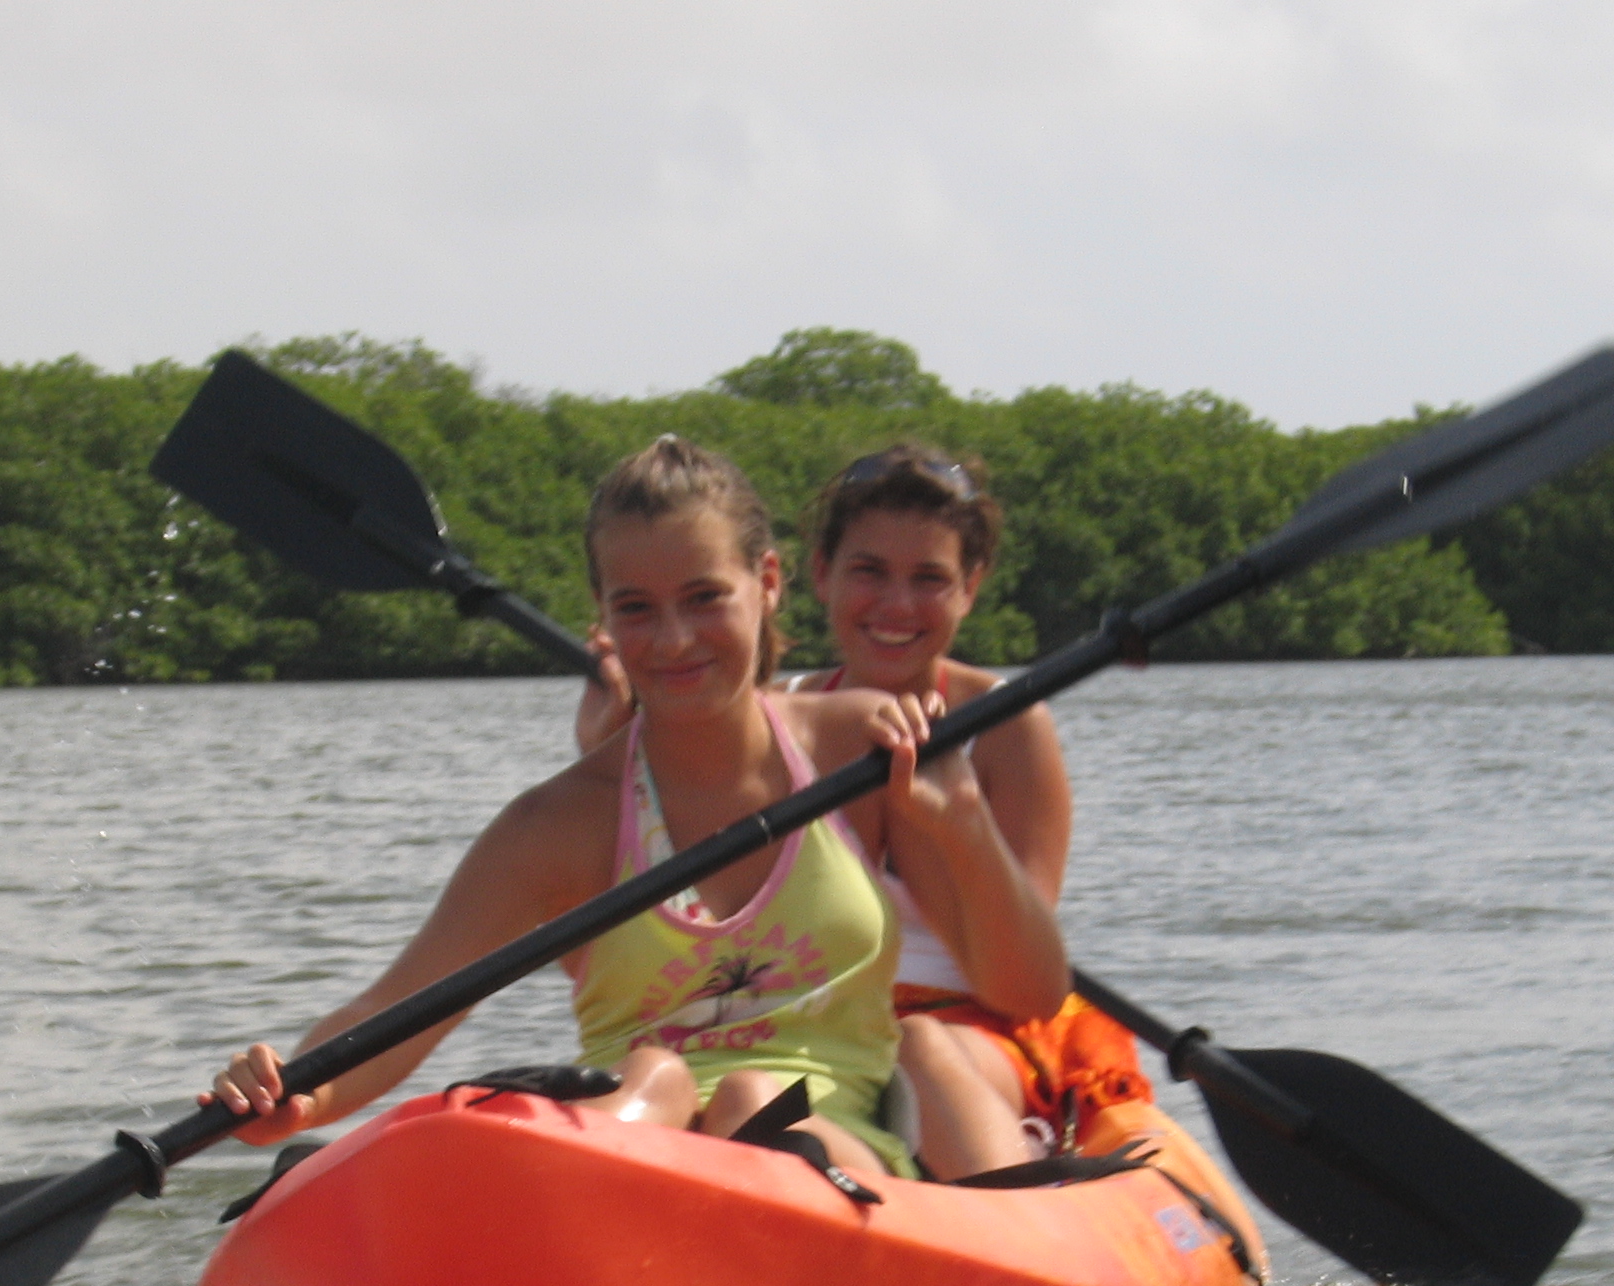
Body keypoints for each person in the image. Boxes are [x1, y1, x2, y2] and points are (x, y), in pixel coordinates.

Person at [207, 436, 1067, 1184]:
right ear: (605, 619)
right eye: (636, 609)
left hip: (845, 1143)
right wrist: (296, 1092)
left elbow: (1025, 990)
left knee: (747, 1096)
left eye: (704, 598)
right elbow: (390, 1012)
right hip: (637, 1155)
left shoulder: (854, 747)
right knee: (656, 1076)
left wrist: (963, 830)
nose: (672, 641)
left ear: (767, 583)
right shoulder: (556, 827)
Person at [576, 443, 1149, 1144]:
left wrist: (956, 824)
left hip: (966, 1025)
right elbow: (648, 945)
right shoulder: (777, 720)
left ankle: (999, 1214)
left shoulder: (1009, 724)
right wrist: (609, 751)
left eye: (930, 579)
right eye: (869, 572)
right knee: (720, 1083)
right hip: (793, 1031)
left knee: (919, 1049)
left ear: (971, 586)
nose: (896, 605)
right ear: (818, 575)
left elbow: (1016, 981)